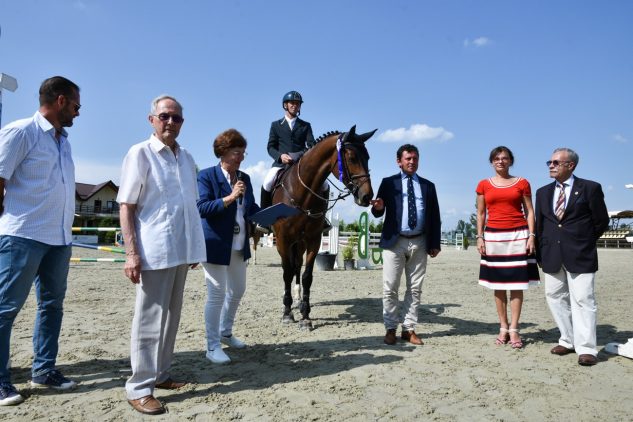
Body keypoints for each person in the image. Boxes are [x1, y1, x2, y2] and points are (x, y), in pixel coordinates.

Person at [118, 95, 206, 415]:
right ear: (152, 119)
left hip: (181, 250)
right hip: (153, 250)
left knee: (171, 317)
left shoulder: (186, 158)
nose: (170, 122)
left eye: (176, 118)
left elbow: (189, 207)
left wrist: (193, 246)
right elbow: (126, 206)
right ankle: (139, 387)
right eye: (165, 116)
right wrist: (131, 254)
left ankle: (161, 373)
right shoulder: (140, 153)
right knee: (149, 319)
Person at [0, 76, 81, 406]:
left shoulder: (64, 141)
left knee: (52, 306)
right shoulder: (21, 132)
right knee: (5, 309)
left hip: (59, 238)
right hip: (23, 235)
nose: (78, 112)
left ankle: (44, 370)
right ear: (60, 101)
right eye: (76, 105)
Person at [535, 147, 609, 366]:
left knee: (583, 300)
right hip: (551, 254)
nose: (551, 166)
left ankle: (586, 348)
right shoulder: (542, 192)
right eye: (549, 162)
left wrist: (583, 241)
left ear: (571, 165)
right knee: (555, 297)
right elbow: (541, 225)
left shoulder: (590, 188)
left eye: (556, 162)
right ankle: (567, 340)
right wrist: (541, 252)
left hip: (580, 254)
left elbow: (601, 221)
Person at [197, 129, 260, 364]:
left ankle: (225, 332)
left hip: (239, 243)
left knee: (238, 290)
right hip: (214, 244)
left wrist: (270, 216)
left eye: (243, 153)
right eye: (236, 152)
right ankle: (212, 346)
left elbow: (250, 208)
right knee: (216, 295)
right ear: (223, 152)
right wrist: (231, 197)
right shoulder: (206, 176)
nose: (241, 157)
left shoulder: (245, 178)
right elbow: (202, 208)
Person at [371, 144, 441, 346]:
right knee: (390, 287)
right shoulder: (388, 183)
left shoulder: (428, 186)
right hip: (395, 241)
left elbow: (434, 216)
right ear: (399, 161)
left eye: (415, 158)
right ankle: (390, 328)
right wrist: (379, 208)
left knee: (415, 289)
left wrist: (434, 243)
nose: (412, 162)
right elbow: (377, 212)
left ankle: (408, 329)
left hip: (420, 241)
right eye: (408, 158)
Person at [475, 146, 539, 349]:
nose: (500, 161)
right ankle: (503, 327)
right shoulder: (483, 184)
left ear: (511, 161)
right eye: (496, 158)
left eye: (504, 158)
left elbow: (530, 211)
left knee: (517, 284)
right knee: (498, 284)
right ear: (491, 162)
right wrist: (479, 237)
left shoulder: (522, 183)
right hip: (493, 237)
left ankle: (514, 328)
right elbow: (481, 213)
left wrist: (532, 236)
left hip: (518, 236)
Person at [257, 90, 315, 232]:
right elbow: (270, 147)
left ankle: (321, 218)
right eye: (292, 103)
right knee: (267, 183)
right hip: (281, 164)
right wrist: (280, 156)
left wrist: (300, 155)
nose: (295, 105)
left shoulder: (305, 125)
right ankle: (265, 219)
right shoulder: (276, 125)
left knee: (324, 185)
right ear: (285, 105)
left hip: (300, 164)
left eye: (297, 103)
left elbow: (311, 145)